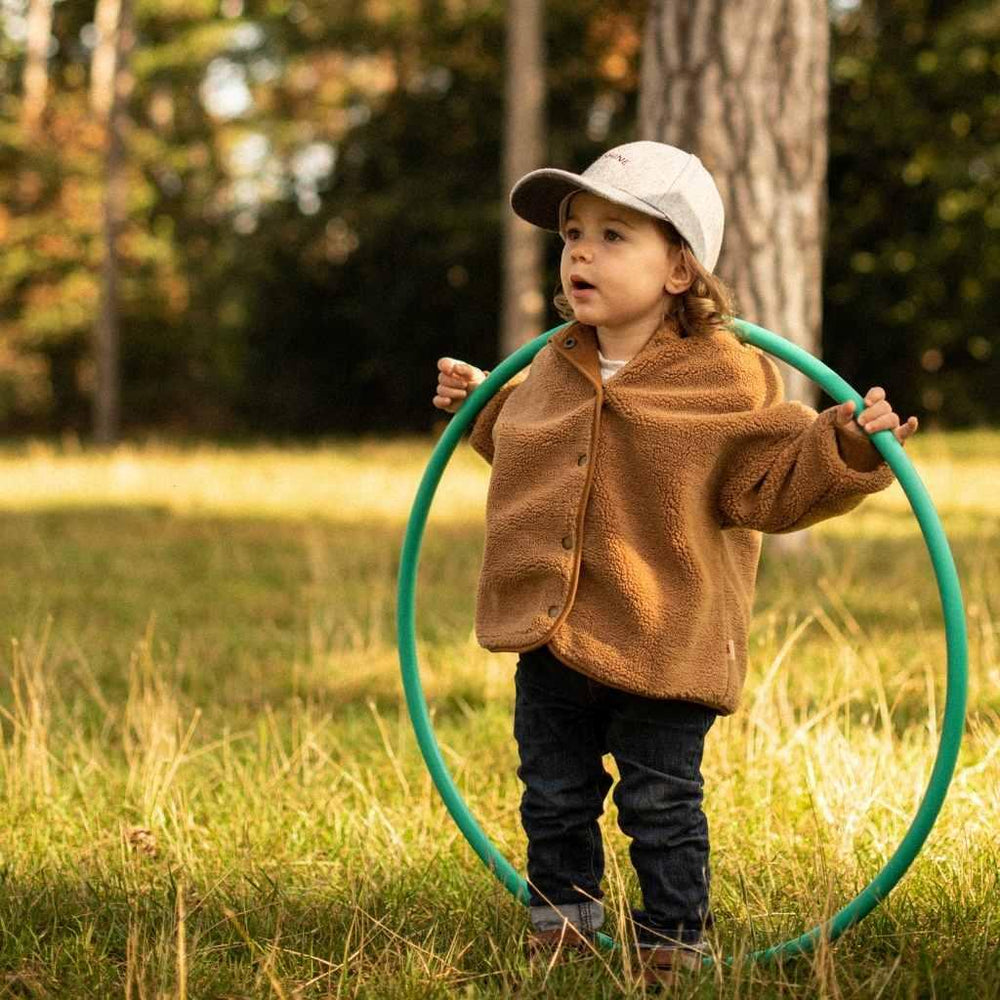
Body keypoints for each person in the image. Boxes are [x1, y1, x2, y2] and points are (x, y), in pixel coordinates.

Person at [431, 141, 918, 987]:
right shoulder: (553, 363)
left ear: (680, 269)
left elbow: (769, 487)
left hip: (664, 637)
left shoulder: (729, 379)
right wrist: (488, 403)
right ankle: (565, 926)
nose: (580, 251)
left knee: (658, 803)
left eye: (614, 236)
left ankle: (671, 940)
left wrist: (845, 442)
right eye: (572, 233)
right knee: (553, 795)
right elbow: (539, 454)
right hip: (553, 634)